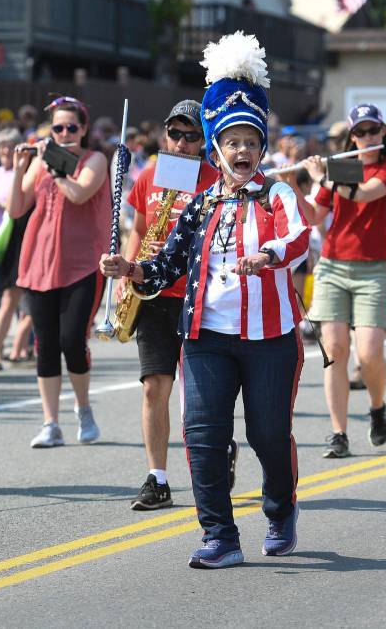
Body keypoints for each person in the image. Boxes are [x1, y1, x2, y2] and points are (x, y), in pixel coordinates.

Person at [101, 32, 310, 568]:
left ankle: (280, 508)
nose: (242, 151)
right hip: (204, 338)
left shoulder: (278, 194)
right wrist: (131, 270)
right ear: (218, 151)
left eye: (251, 142)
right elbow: (166, 265)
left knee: (267, 436)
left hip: (269, 338)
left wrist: (267, 254)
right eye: (233, 143)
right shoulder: (198, 207)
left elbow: (297, 238)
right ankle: (219, 535)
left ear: (262, 149)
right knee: (203, 435)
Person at [120, 99, 226, 511]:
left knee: (203, 394)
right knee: (154, 388)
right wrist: (126, 277)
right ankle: (157, 477)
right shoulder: (150, 175)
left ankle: (219, 451)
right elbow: (140, 228)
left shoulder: (216, 180)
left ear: (204, 141)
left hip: (200, 294)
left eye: (190, 136)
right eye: (175, 134)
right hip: (153, 294)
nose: (181, 143)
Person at [299, 104, 386, 459]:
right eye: (360, 132)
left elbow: (363, 194)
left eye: (373, 131)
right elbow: (315, 216)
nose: (367, 138)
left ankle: (377, 406)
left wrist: (321, 178)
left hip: (373, 269)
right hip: (332, 266)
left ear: (383, 133)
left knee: (370, 352)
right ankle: (338, 432)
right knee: (335, 351)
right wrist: (291, 188)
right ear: (351, 137)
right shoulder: (339, 167)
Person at [8, 96, 109, 448]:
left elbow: (80, 194)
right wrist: (20, 167)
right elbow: (16, 209)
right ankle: (50, 422)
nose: (64, 133)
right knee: (45, 343)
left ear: (83, 129)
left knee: (71, 340)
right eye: (58, 128)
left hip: (81, 263)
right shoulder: (39, 163)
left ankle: (83, 409)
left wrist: (53, 168)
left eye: (71, 127)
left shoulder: (94, 160)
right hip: (39, 260)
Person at [0, 128, 31, 372]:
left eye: (11, 146)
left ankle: (22, 347)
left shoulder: (28, 171)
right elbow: (11, 206)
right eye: (2, 146)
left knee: (32, 301)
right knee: (7, 298)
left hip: (27, 236)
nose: (6, 151)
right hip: (7, 239)